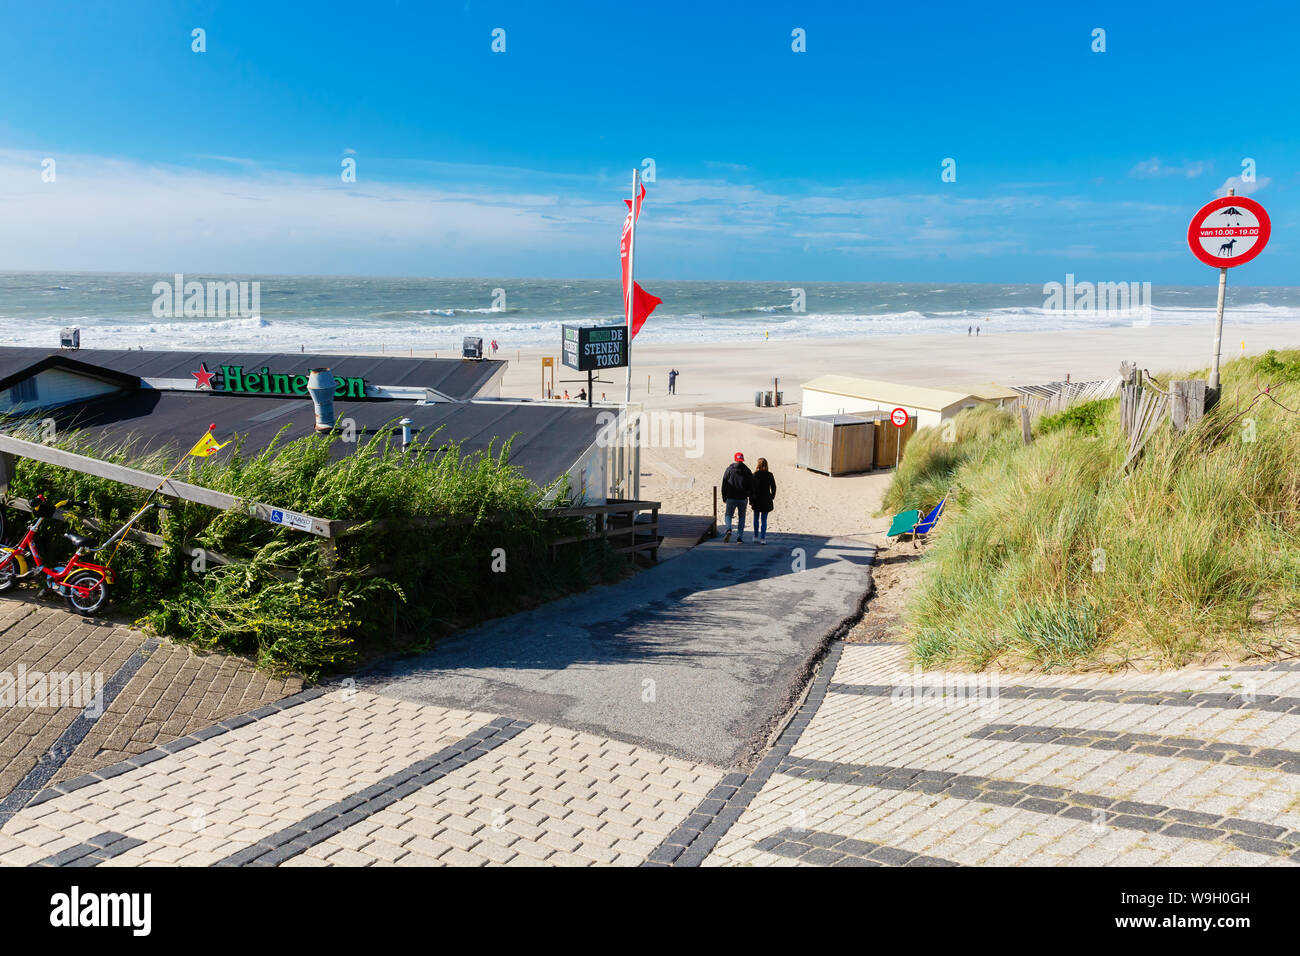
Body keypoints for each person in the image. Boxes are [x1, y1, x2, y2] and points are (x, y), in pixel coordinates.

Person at [720, 452, 753, 543]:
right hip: (743, 498)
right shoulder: (747, 470)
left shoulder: (729, 469)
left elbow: (724, 483)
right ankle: (739, 537)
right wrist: (750, 498)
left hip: (731, 497)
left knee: (728, 515)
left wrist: (724, 496)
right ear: (742, 459)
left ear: (735, 459)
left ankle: (729, 529)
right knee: (741, 517)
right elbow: (751, 485)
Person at [749, 458, 775, 544]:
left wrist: (751, 499)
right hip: (766, 499)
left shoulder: (755, 474)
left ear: (758, 465)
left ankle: (756, 536)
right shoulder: (770, 475)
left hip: (756, 499)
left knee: (756, 518)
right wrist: (772, 496)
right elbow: (774, 487)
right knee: (764, 520)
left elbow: (751, 489)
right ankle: (763, 538)